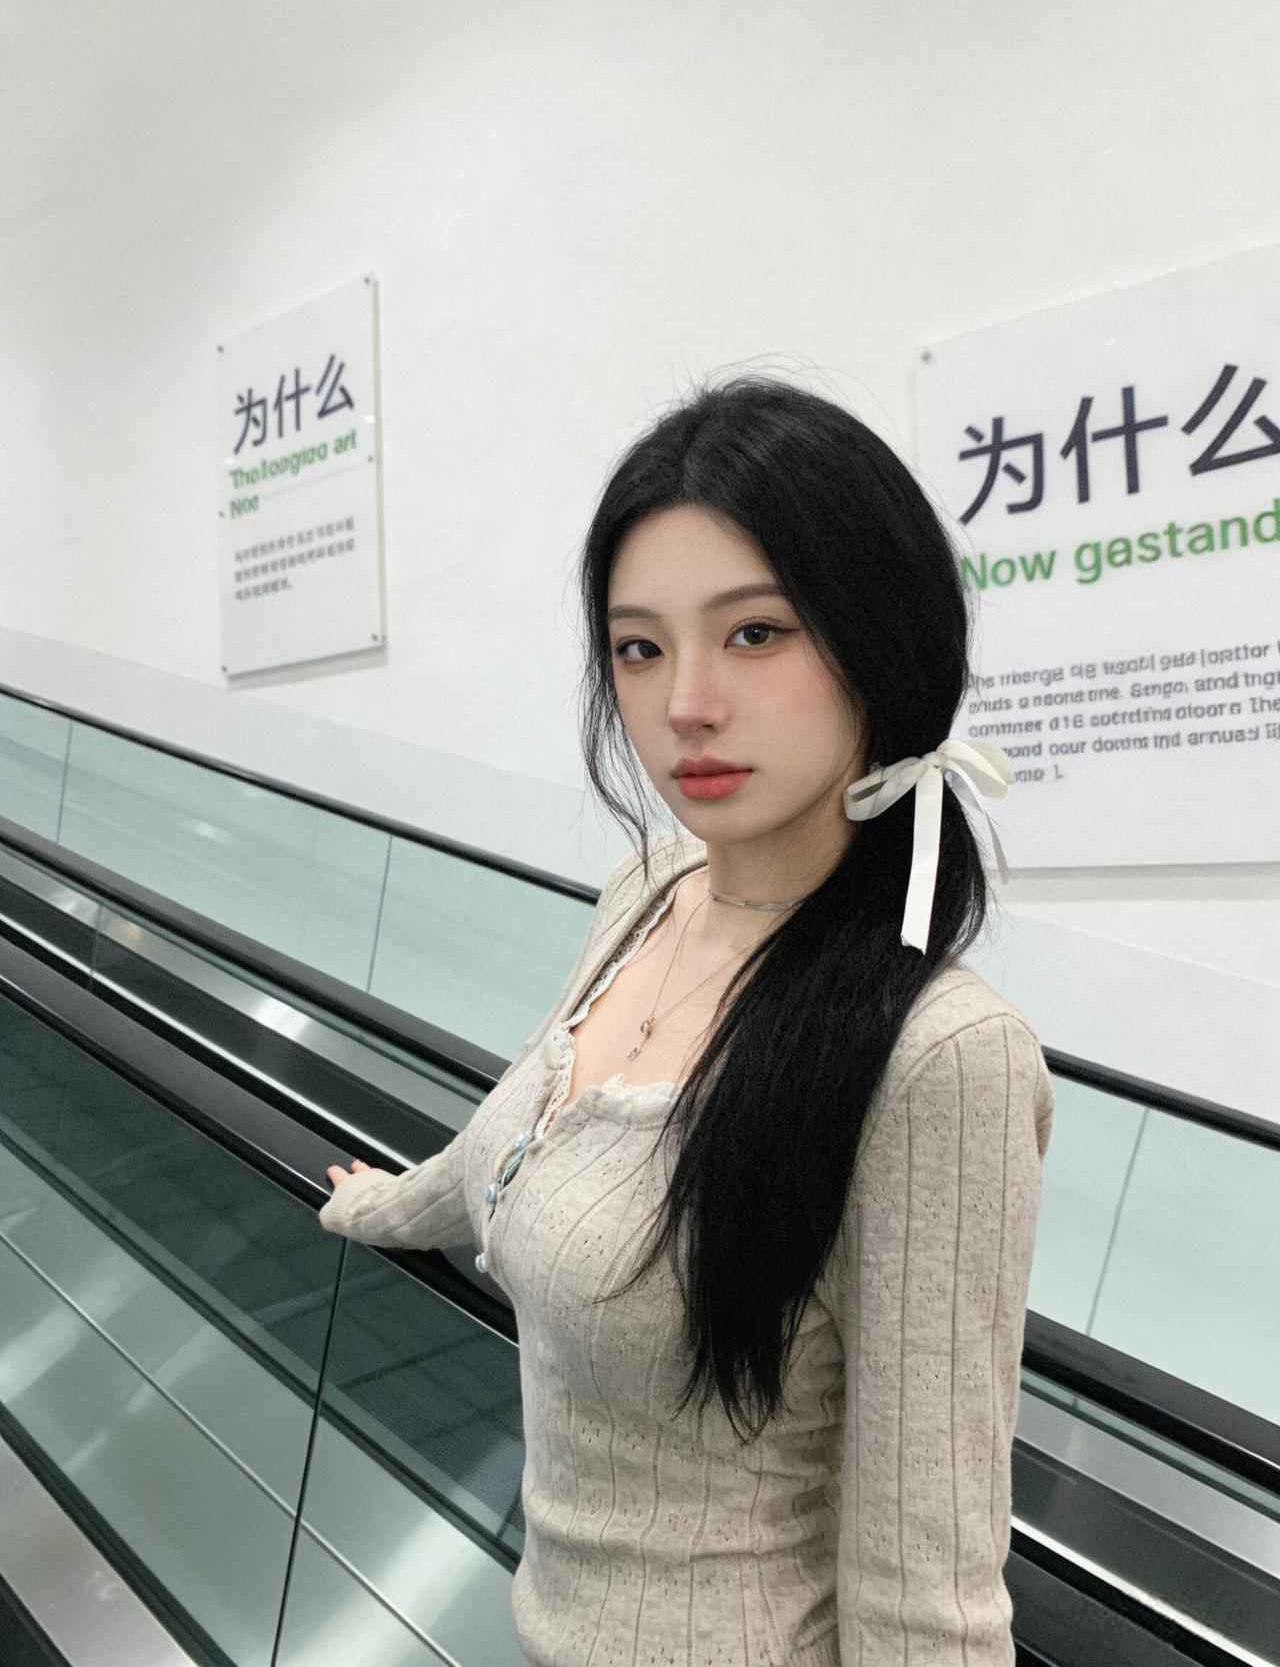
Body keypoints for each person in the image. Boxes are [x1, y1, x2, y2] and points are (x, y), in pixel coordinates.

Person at [318, 375, 1055, 1666]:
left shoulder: (940, 1055)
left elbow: (927, 1595)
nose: (685, 705)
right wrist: (387, 1204)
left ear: (879, 640)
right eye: (640, 647)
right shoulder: (649, 889)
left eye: (755, 633)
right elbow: (530, 1125)